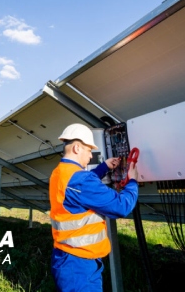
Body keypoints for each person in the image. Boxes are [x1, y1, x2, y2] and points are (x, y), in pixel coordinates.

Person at [49, 123, 139, 291]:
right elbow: (122, 206)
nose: (91, 156)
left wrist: (104, 167)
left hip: (66, 255)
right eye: (89, 150)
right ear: (77, 148)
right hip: (79, 263)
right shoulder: (80, 180)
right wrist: (133, 181)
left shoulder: (60, 172)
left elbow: (80, 186)